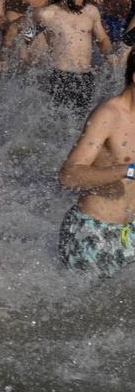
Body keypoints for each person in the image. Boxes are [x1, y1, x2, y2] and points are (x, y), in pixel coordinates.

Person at [56, 49, 135, 274]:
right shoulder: (109, 115)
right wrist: (126, 170)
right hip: (91, 231)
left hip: (129, 231)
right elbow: (68, 176)